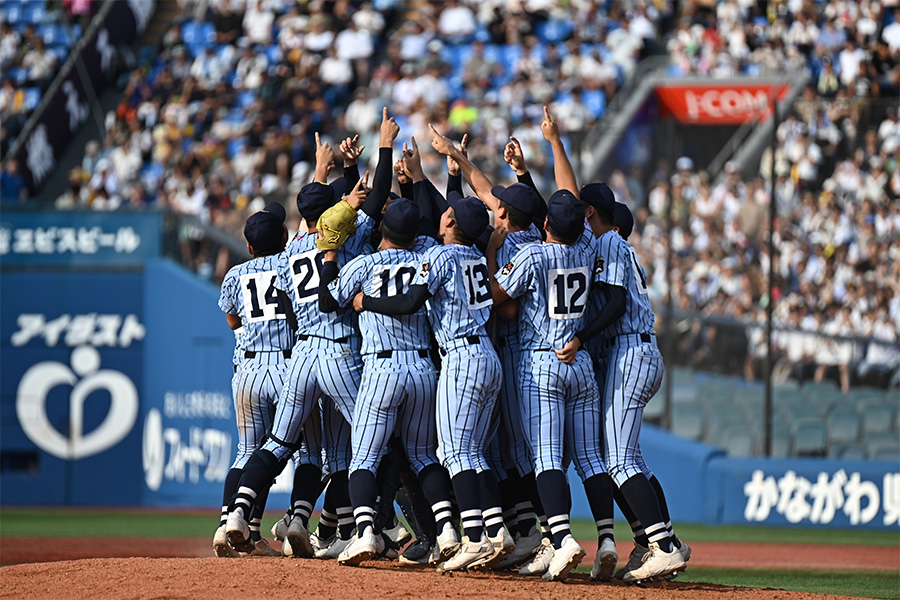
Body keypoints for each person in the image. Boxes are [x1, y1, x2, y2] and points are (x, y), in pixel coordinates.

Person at [353, 145, 506, 572]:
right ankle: (486, 533)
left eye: (450, 212)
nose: (442, 213)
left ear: (451, 223)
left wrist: (369, 302)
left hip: (460, 356)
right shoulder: (477, 254)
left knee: (456, 453)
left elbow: (410, 303)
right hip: (486, 355)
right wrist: (422, 178)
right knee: (472, 453)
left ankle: (474, 537)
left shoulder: (439, 255)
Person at [485, 189, 609, 582]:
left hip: (541, 361)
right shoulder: (587, 249)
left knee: (547, 458)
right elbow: (578, 223)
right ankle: (607, 540)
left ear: (545, 224)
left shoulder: (534, 255)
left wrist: (490, 251)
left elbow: (494, 295)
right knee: (591, 458)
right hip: (579, 357)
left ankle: (562, 538)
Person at [215, 201, 294, 558]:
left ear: (248, 247)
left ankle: (227, 525)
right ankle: (262, 521)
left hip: (247, 369)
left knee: (246, 451)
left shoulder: (235, 273)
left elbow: (233, 321)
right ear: (285, 236)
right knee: (289, 449)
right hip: (286, 366)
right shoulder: (292, 264)